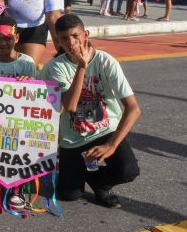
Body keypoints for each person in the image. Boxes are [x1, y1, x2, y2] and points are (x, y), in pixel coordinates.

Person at [41, 14, 141, 208]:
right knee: (69, 194)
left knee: (128, 170)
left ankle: (100, 182)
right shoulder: (55, 67)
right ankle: (78, 170)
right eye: (63, 38)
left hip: (105, 131)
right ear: (57, 41)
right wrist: (81, 67)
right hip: (74, 138)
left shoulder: (106, 61)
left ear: (85, 35)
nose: (70, 42)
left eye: (75, 36)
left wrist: (111, 145)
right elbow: (69, 106)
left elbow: (133, 109)